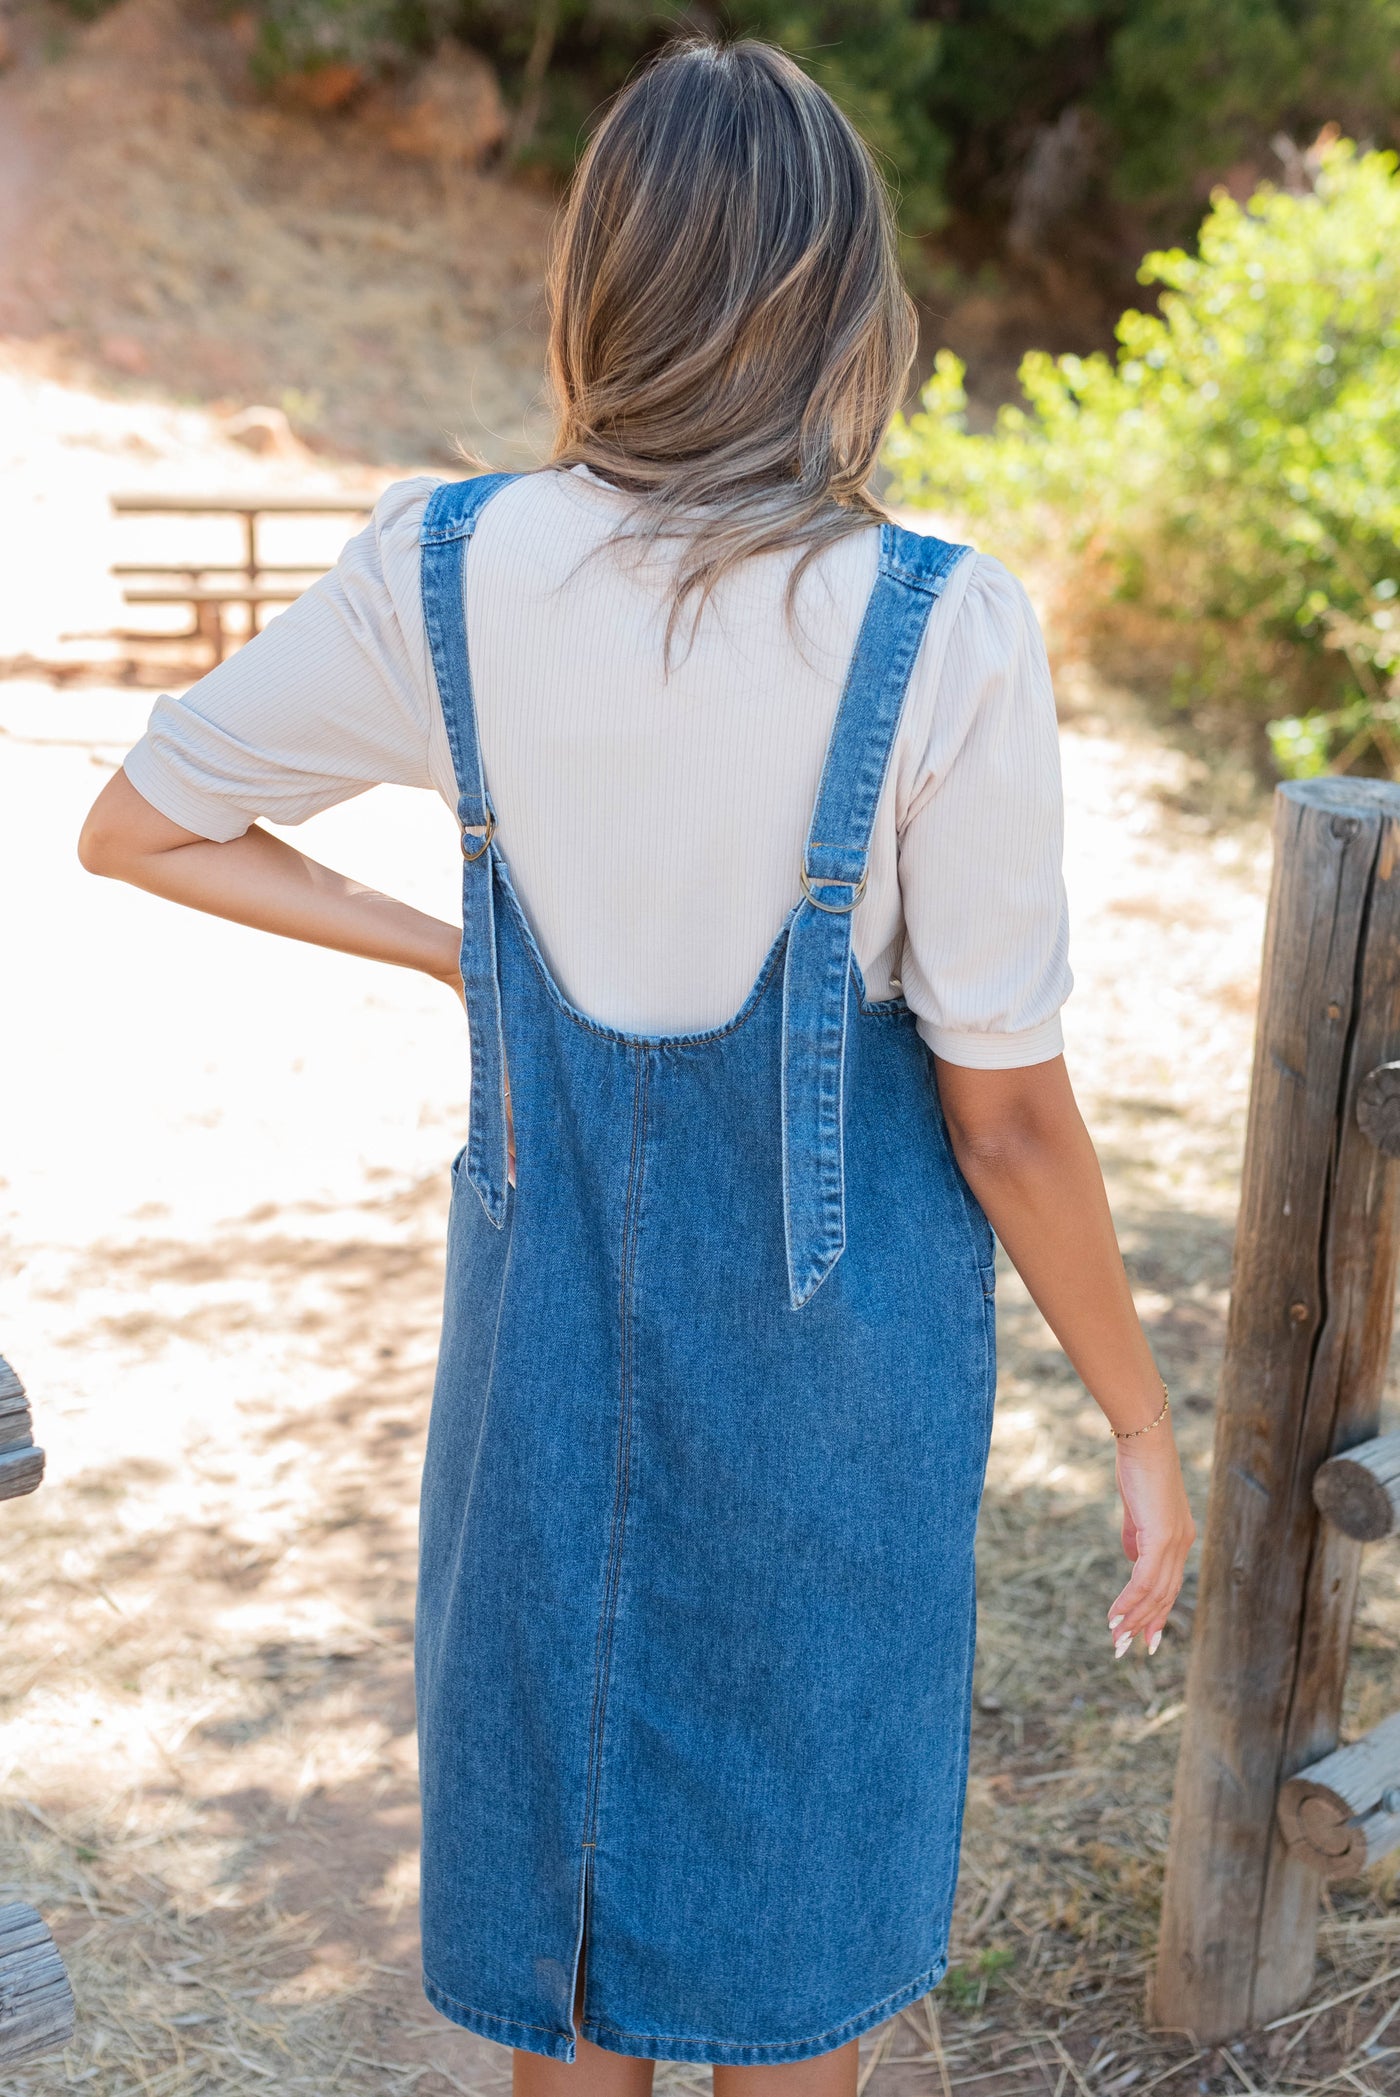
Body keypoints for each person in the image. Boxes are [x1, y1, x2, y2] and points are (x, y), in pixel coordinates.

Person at [79, 36, 1195, 2097]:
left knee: (570, 1967)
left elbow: (142, 815)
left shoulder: (442, 566)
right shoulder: (942, 623)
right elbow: (1007, 1107)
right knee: (796, 1987)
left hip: (540, 1386)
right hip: (835, 1397)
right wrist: (1139, 1418)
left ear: (600, 282)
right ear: (843, 302)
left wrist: (452, 948)